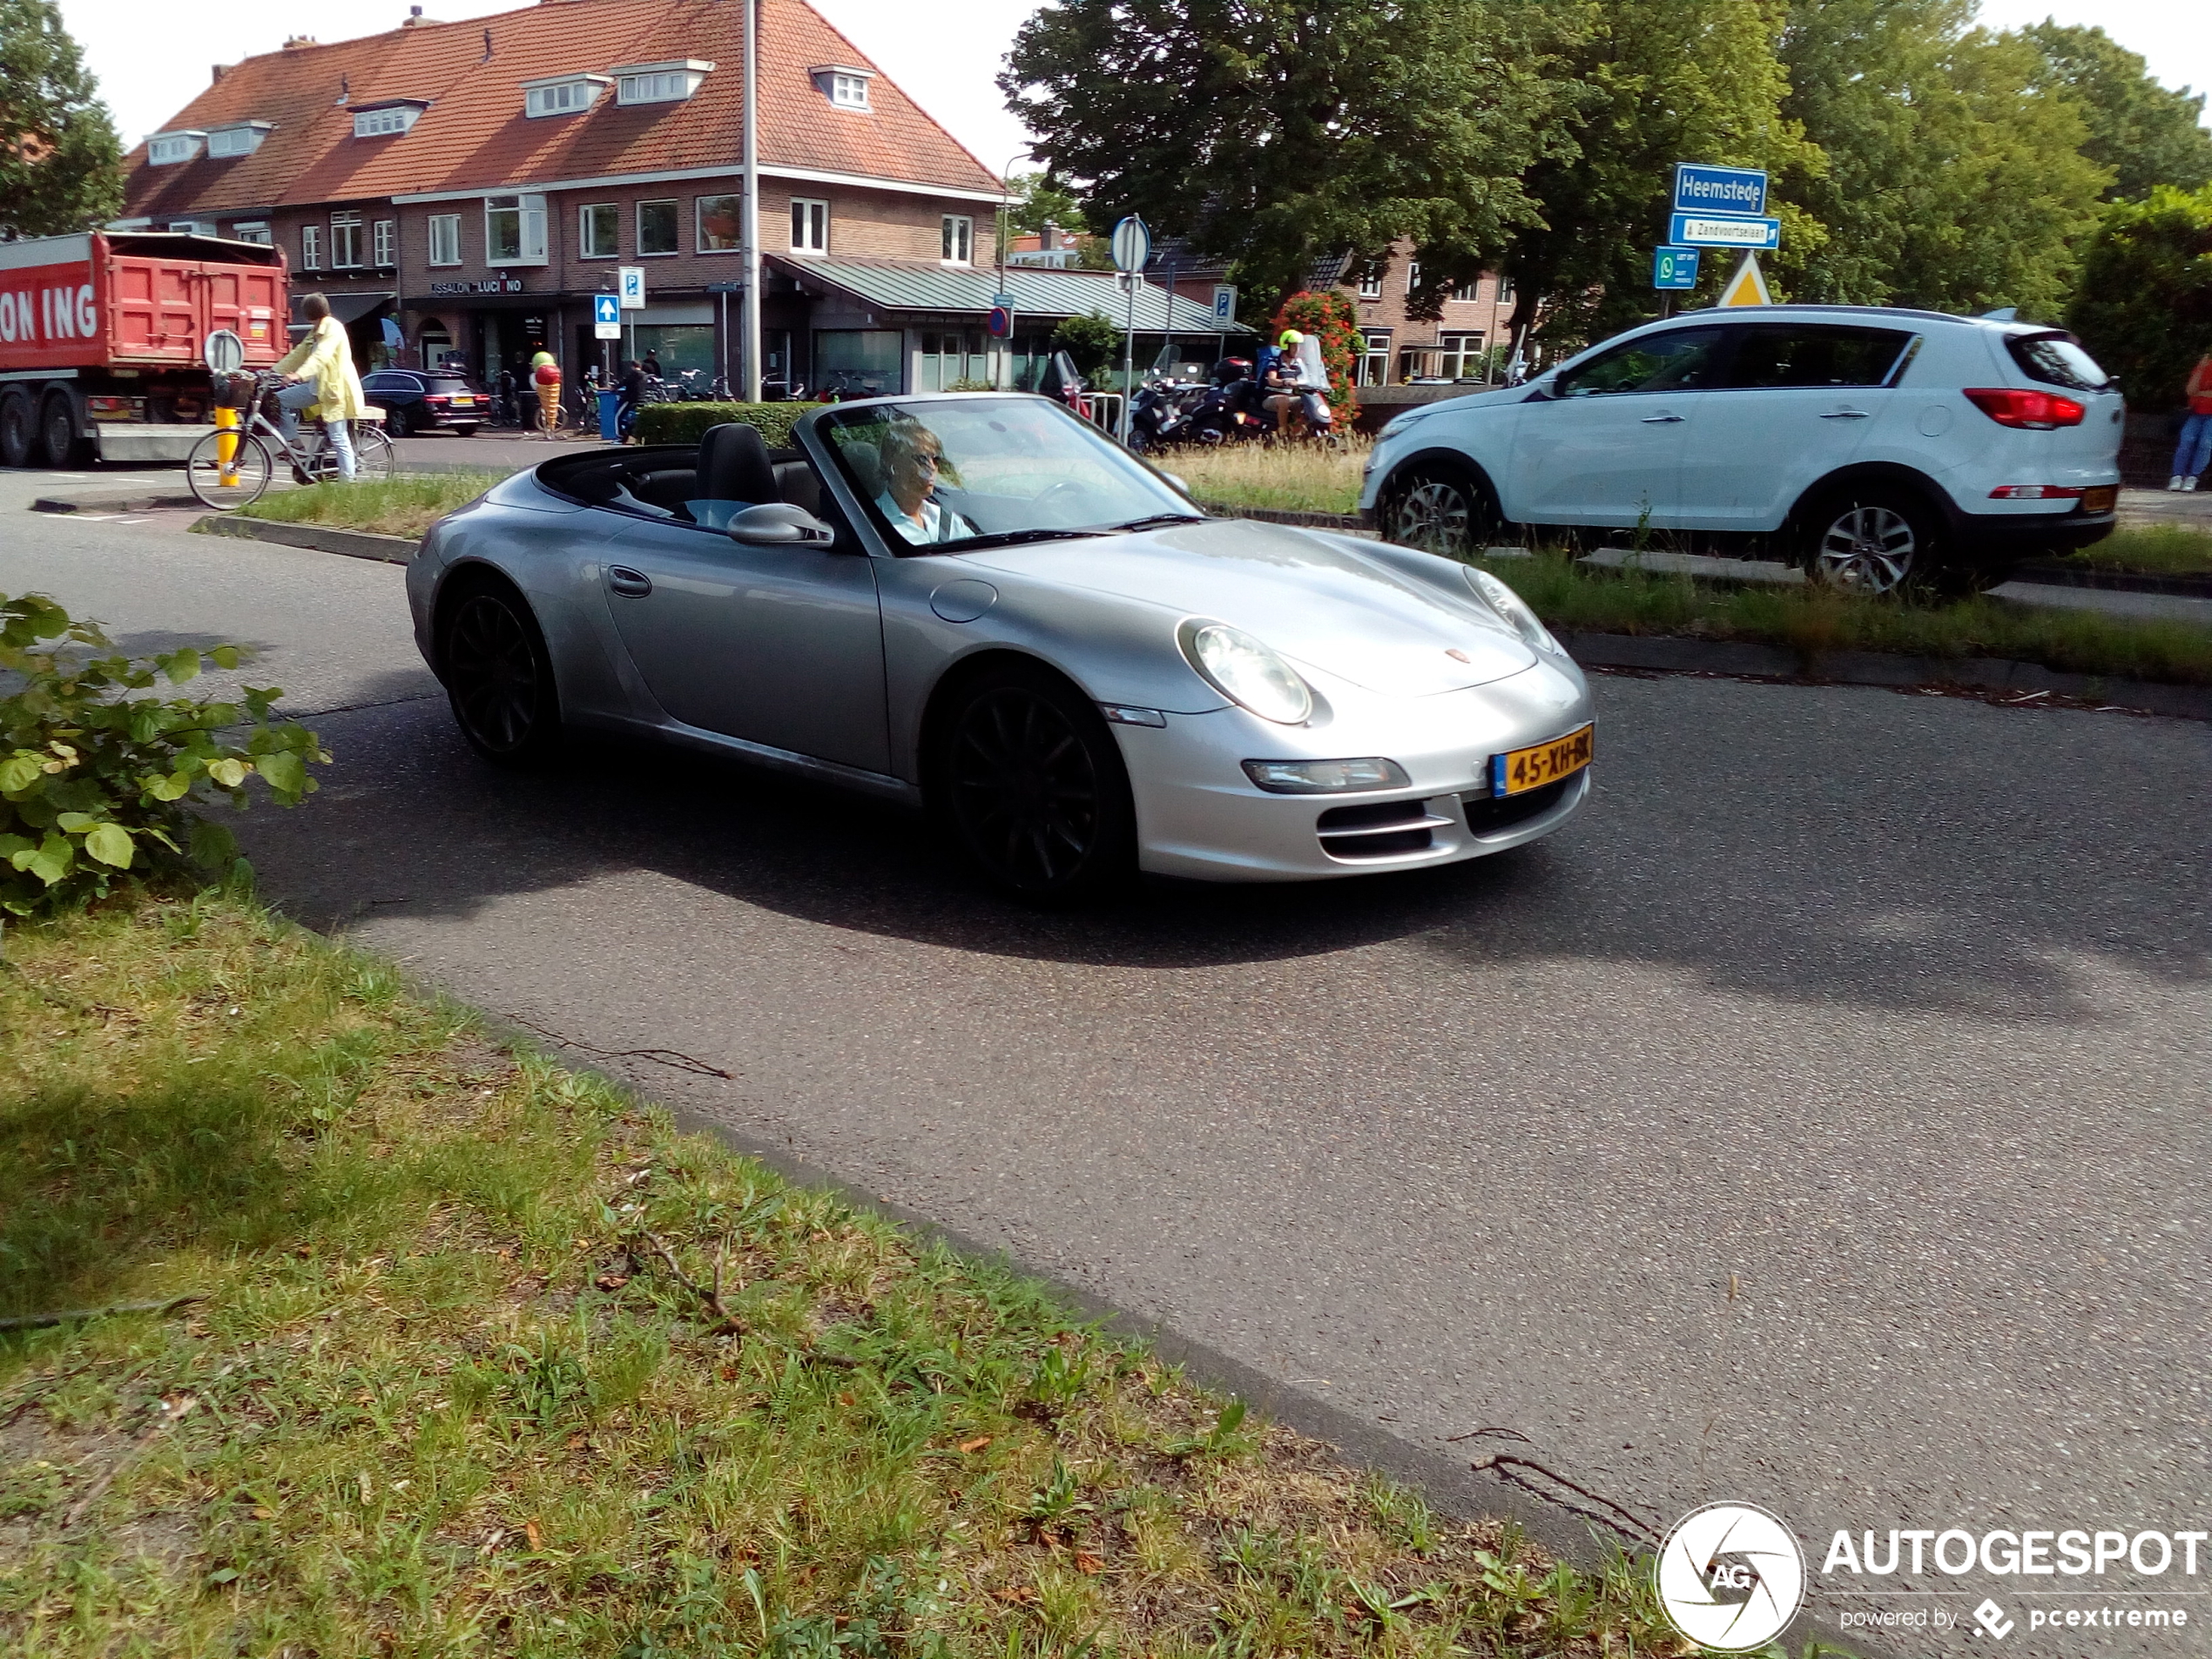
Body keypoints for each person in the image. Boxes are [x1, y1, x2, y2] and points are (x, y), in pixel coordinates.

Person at [269, 292, 366, 480]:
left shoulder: (333, 329)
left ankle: (348, 483)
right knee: (276, 400)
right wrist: (272, 372)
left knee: (338, 437)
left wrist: (298, 375)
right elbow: (298, 354)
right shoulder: (315, 331)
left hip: (335, 390)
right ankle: (294, 444)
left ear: (309, 313)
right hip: (317, 388)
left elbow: (320, 356)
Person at [873, 417, 975, 545]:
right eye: (922, 459)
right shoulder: (873, 524)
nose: (932, 467)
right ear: (893, 464)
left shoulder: (946, 520)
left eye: (936, 460)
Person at [2169, 349, 2212, 491]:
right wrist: (2200, 369)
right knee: (2187, 440)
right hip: (2196, 412)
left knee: (2206, 444)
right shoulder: (2204, 367)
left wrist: (2201, 393)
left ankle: (2192, 477)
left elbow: (2197, 392)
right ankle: (2177, 476)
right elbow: (2190, 391)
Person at [529, 349, 561, 439]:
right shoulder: (555, 370)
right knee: (551, 410)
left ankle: (547, 432)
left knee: (545, 411)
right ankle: (552, 430)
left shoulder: (534, 375)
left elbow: (535, 386)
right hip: (553, 384)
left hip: (541, 391)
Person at [616, 357, 645, 441]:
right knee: (635, 418)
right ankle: (630, 432)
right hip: (642, 399)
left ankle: (621, 435)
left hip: (630, 400)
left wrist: (614, 387)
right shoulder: (644, 376)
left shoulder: (633, 374)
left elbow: (623, 382)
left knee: (618, 417)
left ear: (633, 366)